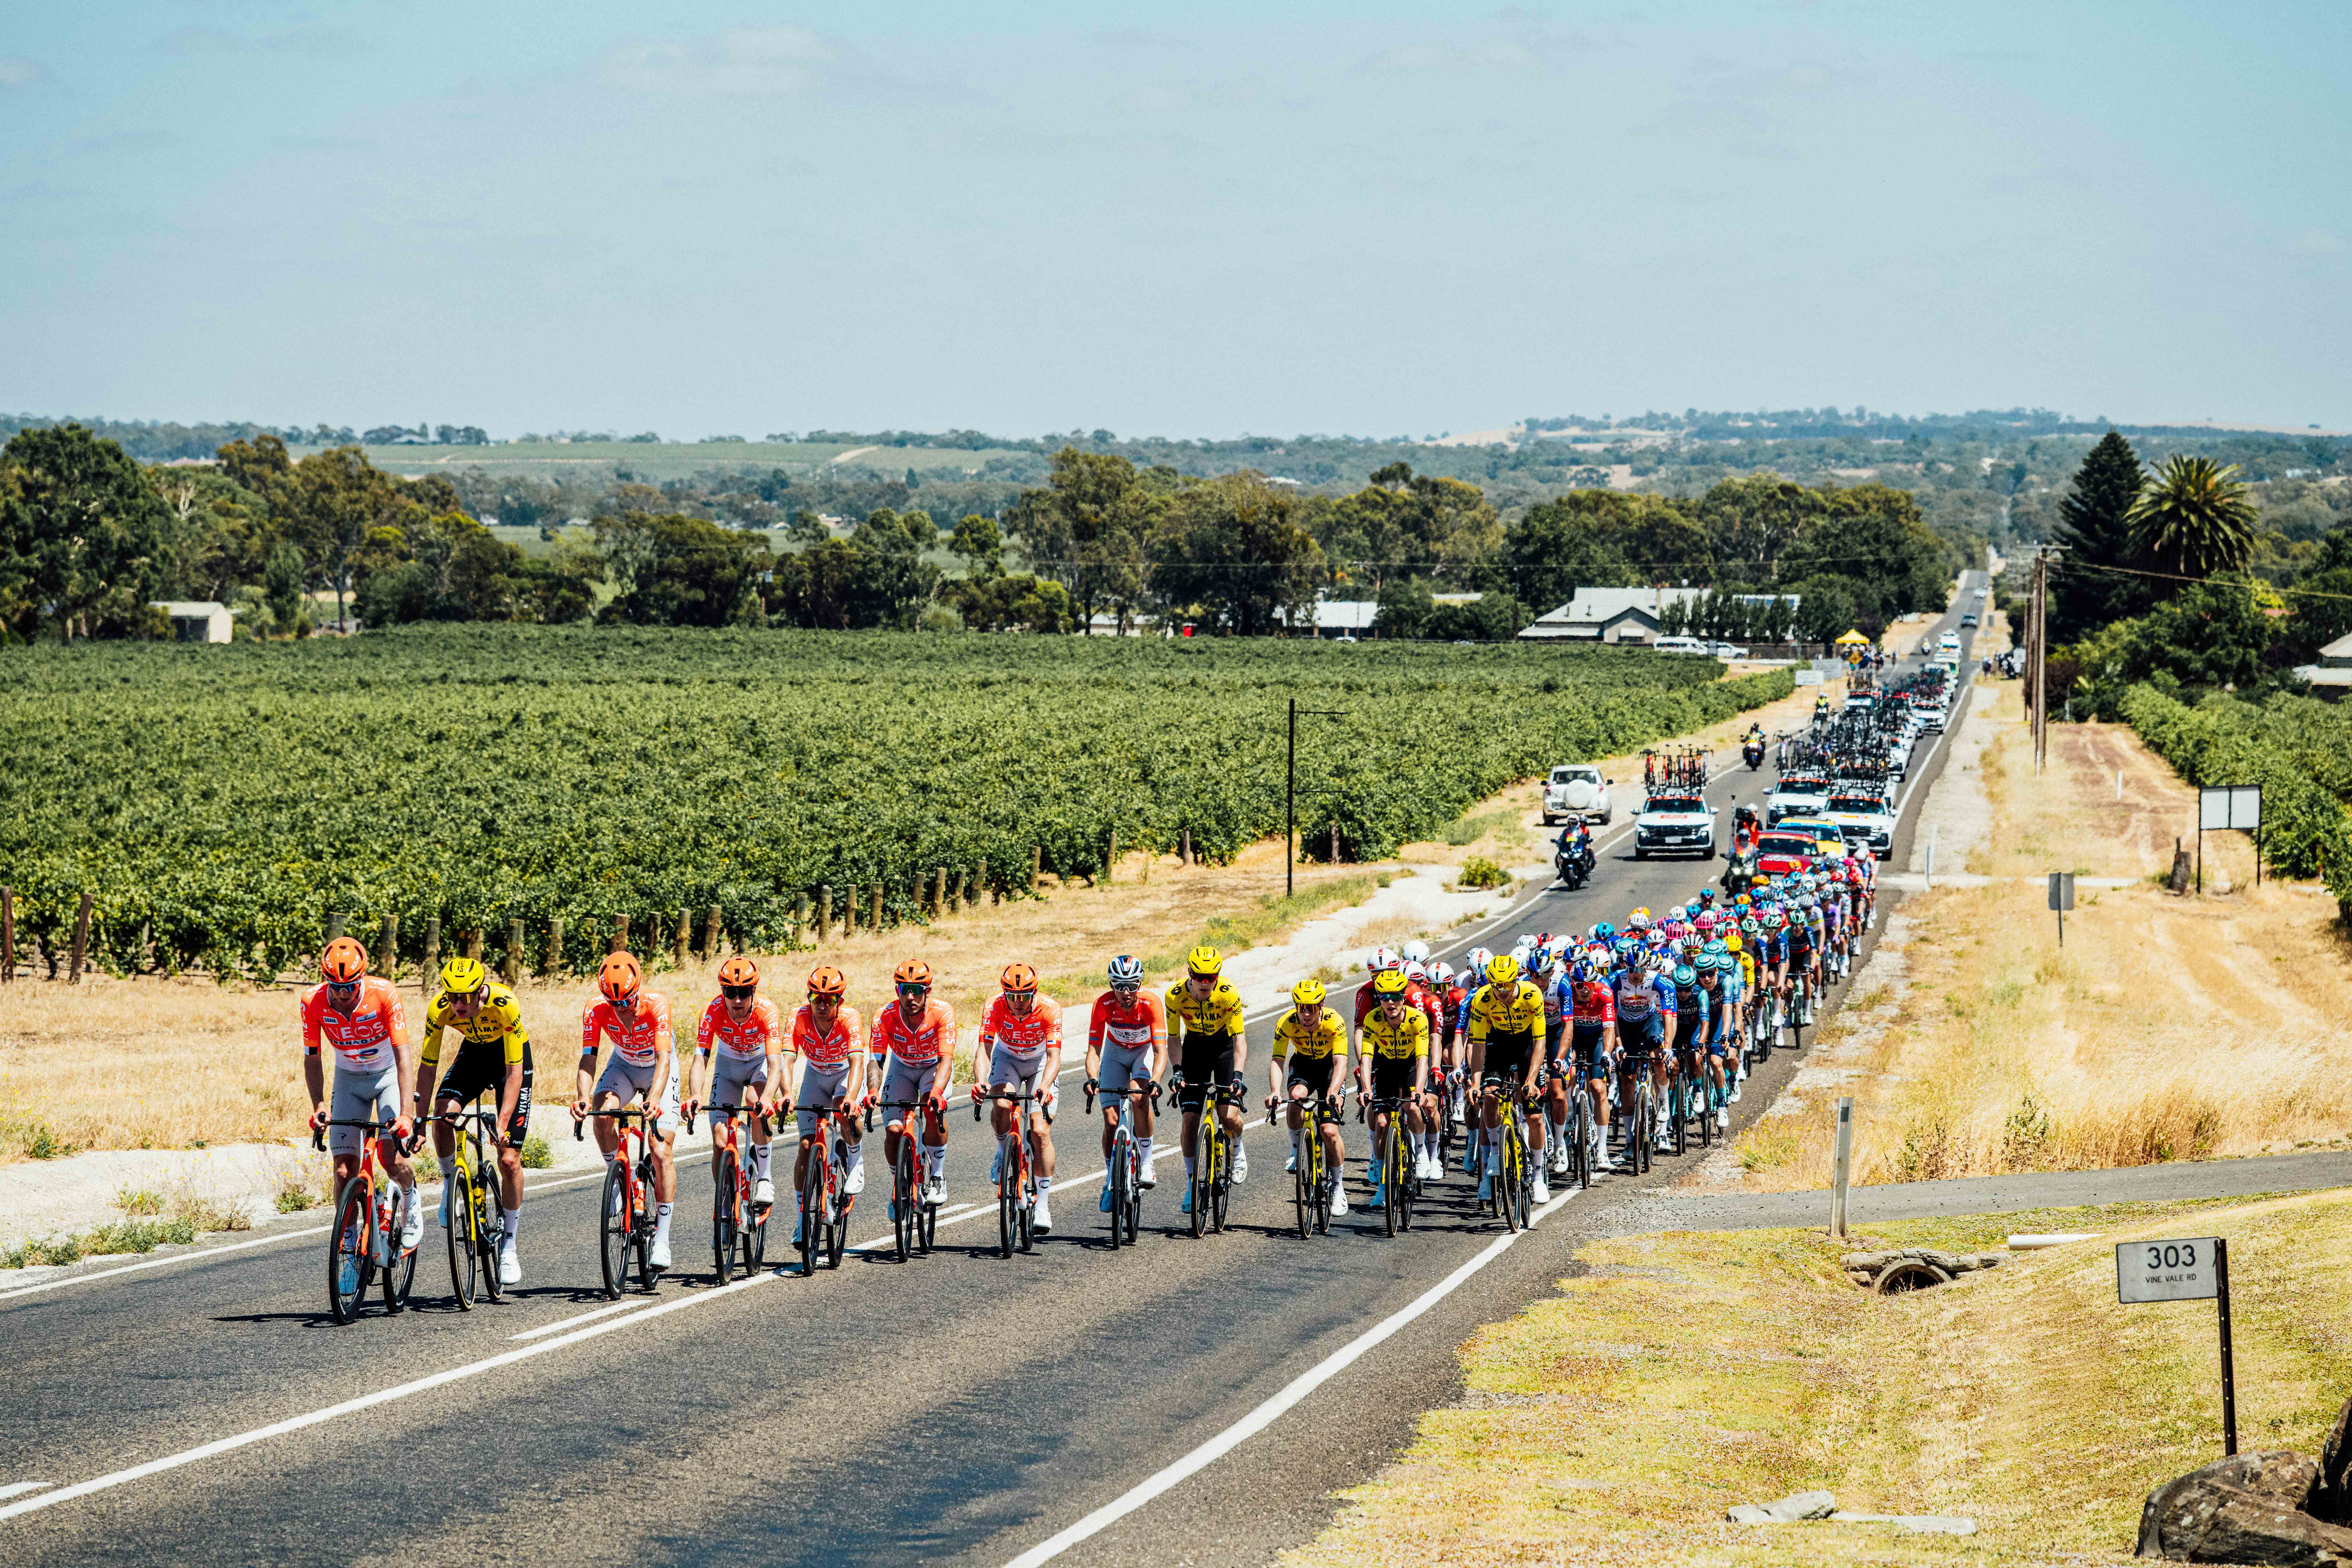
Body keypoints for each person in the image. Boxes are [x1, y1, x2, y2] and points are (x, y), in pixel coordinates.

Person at [411, 956, 530, 1285]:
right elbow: (428, 1067)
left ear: (481, 990)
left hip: (509, 1058)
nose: (459, 1004)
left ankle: (509, 1245)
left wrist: (503, 1120)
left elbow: (514, 1070)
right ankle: (452, 1183)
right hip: (474, 1056)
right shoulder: (439, 1008)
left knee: (509, 1158)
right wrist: (420, 1120)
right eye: (453, 996)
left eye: (466, 996)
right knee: (442, 1113)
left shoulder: (505, 1003)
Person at [303, 937, 421, 1258]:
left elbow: (404, 1055)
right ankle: (350, 1244)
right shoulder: (312, 1001)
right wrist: (319, 1106)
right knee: (344, 1171)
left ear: (362, 978)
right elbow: (312, 1058)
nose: (342, 994)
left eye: (350, 986)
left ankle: (410, 1200)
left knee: (391, 1157)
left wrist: (407, 1114)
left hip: (387, 1077)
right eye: (335, 986)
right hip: (349, 1079)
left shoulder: (383, 993)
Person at [573, 951, 681, 1270]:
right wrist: (582, 1096)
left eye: (627, 1002)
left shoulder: (657, 1004)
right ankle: (619, 1181)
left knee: (660, 1151)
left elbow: (664, 1059)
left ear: (638, 991)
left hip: (659, 1068)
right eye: (613, 1003)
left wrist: (656, 1097)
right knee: (602, 1111)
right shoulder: (595, 1009)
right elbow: (589, 1058)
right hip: (624, 1065)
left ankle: (662, 1239)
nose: (620, 1009)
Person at [685, 956, 785, 1207]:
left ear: (753, 991)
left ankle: (764, 1177)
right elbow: (700, 1060)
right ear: (723, 992)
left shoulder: (767, 1011)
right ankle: (727, 1205)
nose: (737, 1000)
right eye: (731, 992)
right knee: (720, 1142)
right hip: (728, 1066)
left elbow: (775, 1065)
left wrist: (767, 1098)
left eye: (743, 992)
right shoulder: (711, 1011)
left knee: (755, 1103)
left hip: (758, 1062)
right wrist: (696, 1094)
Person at [972, 962, 1062, 1236]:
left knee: (1039, 1130)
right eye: (1013, 997)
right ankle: (1003, 1153)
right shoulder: (994, 1006)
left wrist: (1045, 1087)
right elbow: (985, 1050)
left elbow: (1054, 1057)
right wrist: (980, 1081)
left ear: (1034, 993)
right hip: (1008, 1058)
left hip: (1038, 1064)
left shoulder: (1050, 1009)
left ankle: (1043, 1205)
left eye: (1024, 997)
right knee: (1001, 1104)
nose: (1018, 1002)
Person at [1166, 944, 1250, 1215]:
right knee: (1190, 1121)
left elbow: (1239, 1040)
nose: (1205, 983)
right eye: (1200, 977)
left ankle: (1237, 1149)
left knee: (1228, 1117)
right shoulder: (1175, 996)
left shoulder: (1229, 995)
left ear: (1218, 976)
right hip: (1194, 1050)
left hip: (1224, 1049)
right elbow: (1173, 1038)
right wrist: (1177, 1070)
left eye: (1211, 977)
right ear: (1189, 973)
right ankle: (1193, 1184)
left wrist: (1238, 1076)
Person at [870, 959, 956, 1210]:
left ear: (928, 991)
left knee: (932, 1110)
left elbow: (946, 1061)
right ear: (896, 990)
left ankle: (938, 1176)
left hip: (933, 1068)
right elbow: (876, 1061)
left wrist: (937, 1093)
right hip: (902, 1068)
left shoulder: (942, 1012)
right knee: (894, 1131)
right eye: (904, 989)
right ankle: (900, 1184)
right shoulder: (884, 1015)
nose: (910, 997)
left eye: (917, 990)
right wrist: (874, 1090)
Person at [787, 965, 864, 1244]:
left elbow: (857, 1063)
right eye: (816, 997)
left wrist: (851, 1099)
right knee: (806, 1147)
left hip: (845, 1075)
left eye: (829, 999)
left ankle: (855, 1157)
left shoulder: (850, 1018)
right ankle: (801, 1218)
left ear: (839, 1001)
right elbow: (787, 1060)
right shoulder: (799, 1017)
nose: (821, 1004)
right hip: (816, 1076)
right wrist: (785, 1092)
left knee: (844, 1113)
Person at [1467, 953, 1549, 1205]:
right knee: (1490, 1096)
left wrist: (1532, 1079)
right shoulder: (1481, 1000)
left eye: (1507, 985)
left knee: (1534, 1115)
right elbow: (1479, 1045)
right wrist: (1475, 1082)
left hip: (1527, 1044)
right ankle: (1494, 1153)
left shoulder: (1532, 995)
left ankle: (1537, 1176)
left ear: (1517, 979)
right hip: (1500, 1045)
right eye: (1496, 985)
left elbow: (1540, 1041)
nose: (1502, 991)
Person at [1087, 954, 1167, 1206]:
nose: (1126, 992)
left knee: (1137, 1097)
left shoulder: (1152, 1003)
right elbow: (1094, 1050)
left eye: (1132, 985)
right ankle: (1111, 1177)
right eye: (1119, 985)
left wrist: (1155, 1080)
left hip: (1143, 1052)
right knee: (1111, 1121)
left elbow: (1160, 1051)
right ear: (1111, 985)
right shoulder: (1103, 1004)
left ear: (1139, 984)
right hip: (1115, 1053)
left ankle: (1147, 1162)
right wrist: (1092, 1078)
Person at [1266, 978, 1348, 1216]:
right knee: (1296, 1096)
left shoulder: (1335, 1022)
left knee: (1330, 1132)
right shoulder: (1287, 1023)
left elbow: (1340, 1062)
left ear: (1321, 1006)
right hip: (1303, 1064)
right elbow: (1278, 1060)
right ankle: (1296, 1150)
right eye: (1300, 1007)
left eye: (1311, 1008)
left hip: (1328, 1069)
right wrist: (1274, 1091)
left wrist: (1334, 1092)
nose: (1305, 1013)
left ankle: (1338, 1187)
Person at [1354, 969, 1430, 1209]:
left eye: (1396, 996)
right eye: (1384, 996)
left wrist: (1418, 1090)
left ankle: (1420, 1150)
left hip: (1409, 1066)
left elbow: (1422, 1059)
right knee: (1382, 1123)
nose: (1390, 1002)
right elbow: (1366, 1058)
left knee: (1412, 1107)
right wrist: (1366, 1088)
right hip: (1386, 1066)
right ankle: (1383, 1187)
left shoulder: (1418, 1020)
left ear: (1404, 997)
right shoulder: (1372, 1020)